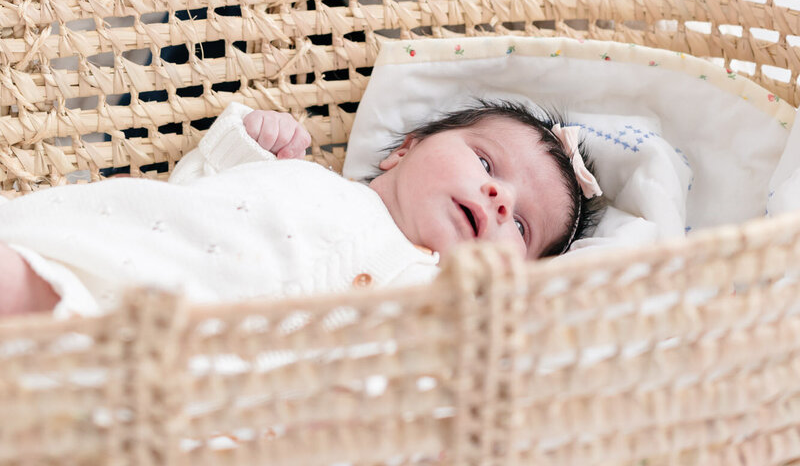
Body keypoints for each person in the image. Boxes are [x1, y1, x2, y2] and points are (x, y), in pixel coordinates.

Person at [0, 98, 601, 318]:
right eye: (487, 164)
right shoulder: (303, 178)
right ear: (404, 151)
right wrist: (249, 142)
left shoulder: (439, 299)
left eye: (521, 226)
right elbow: (196, 190)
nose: (499, 198)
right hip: (132, 275)